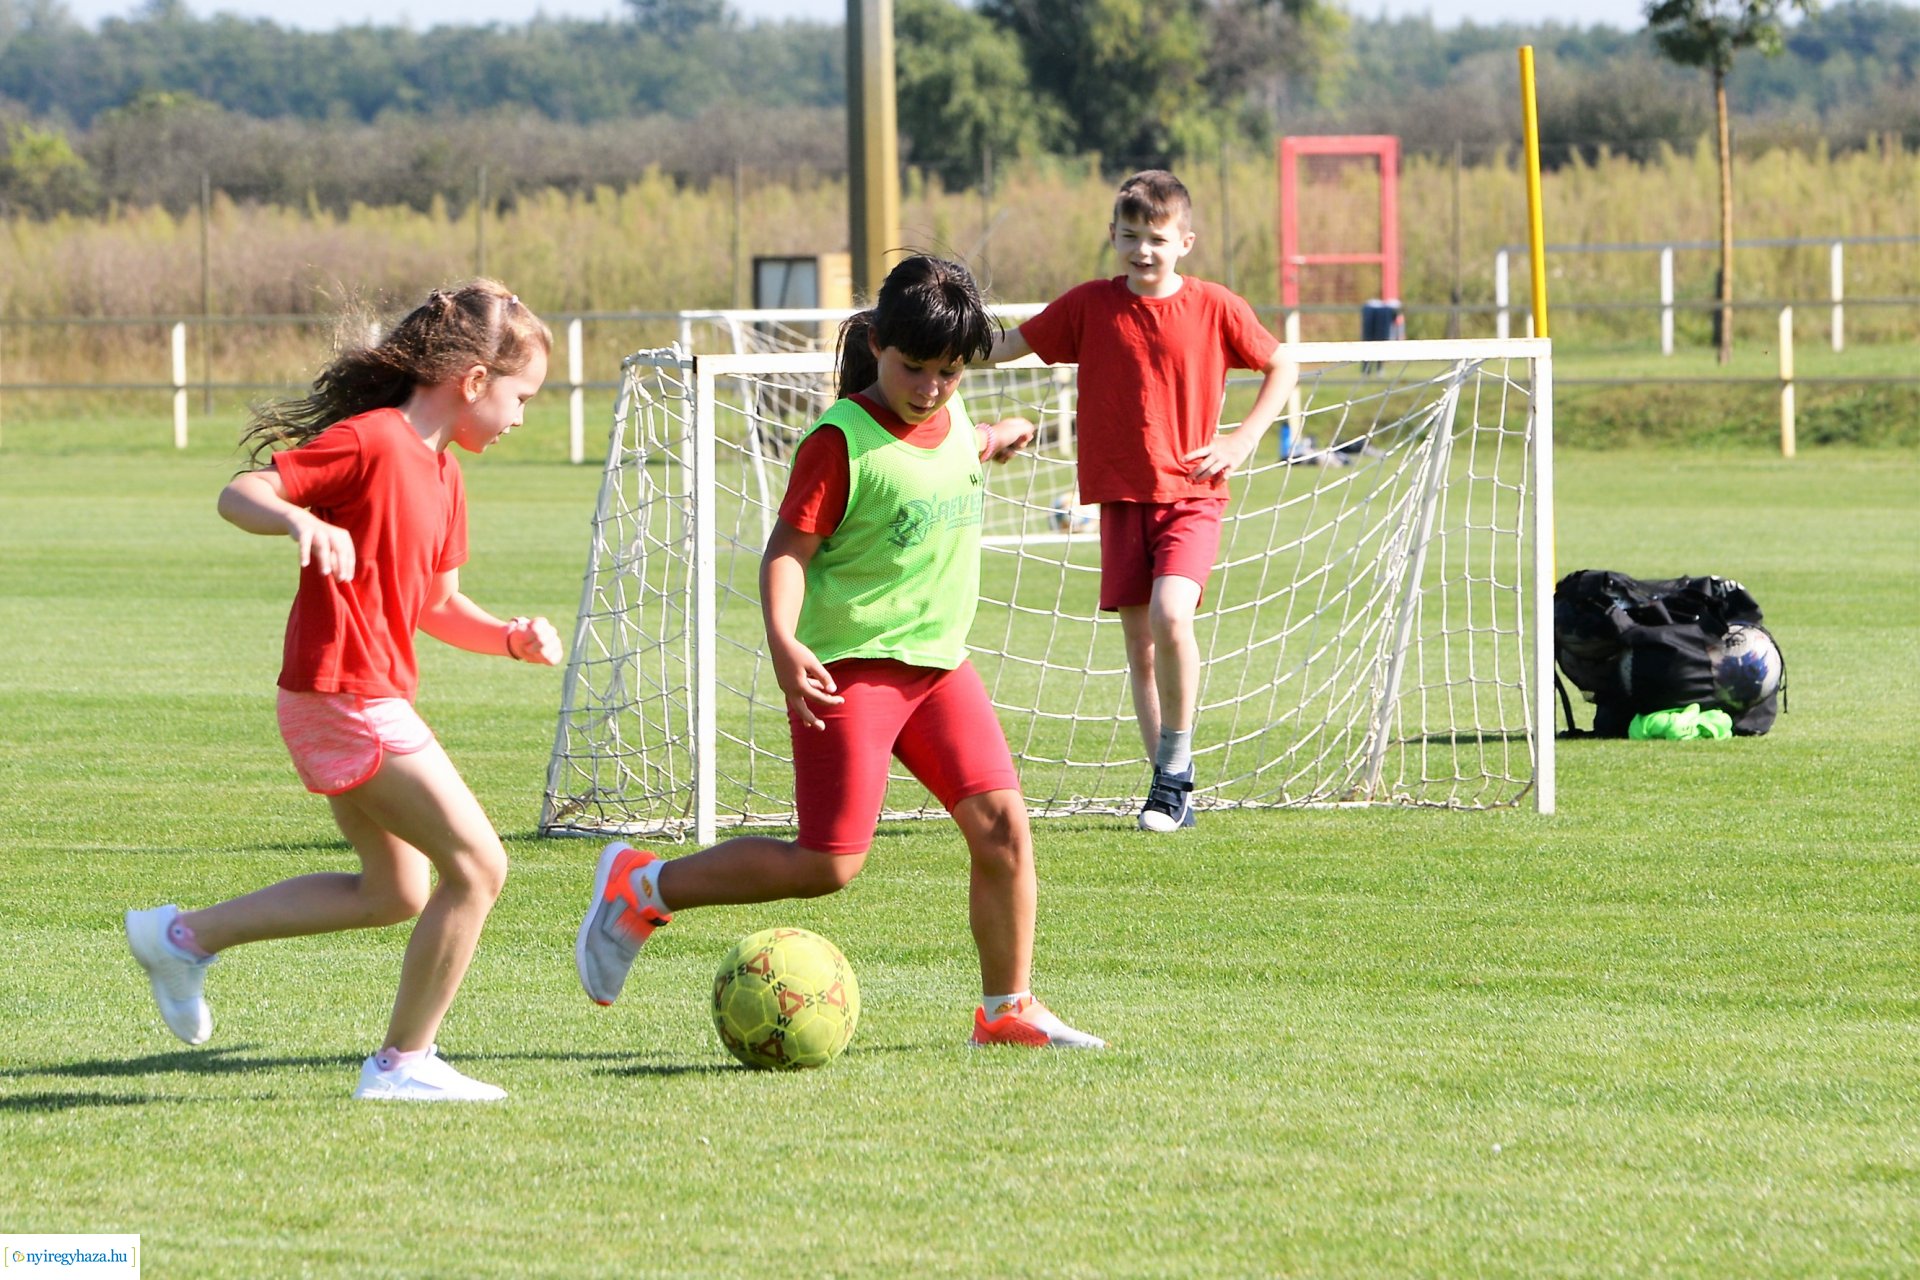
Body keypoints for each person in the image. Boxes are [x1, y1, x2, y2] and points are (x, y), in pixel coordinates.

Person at [576, 254, 1104, 1050]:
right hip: (847, 672)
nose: (930, 388)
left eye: (950, 373)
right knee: (828, 864)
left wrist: (1004, 434)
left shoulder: (956, 415)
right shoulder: (839, 441)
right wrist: (785, 644)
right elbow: (785, 555)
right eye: (913, 368)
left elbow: (965, 442)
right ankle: (643, 886)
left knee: (1003, 832)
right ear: (880, 345)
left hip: (939, 668)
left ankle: (1006, 1011)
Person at [125, 279, 563, 1102]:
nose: (521, 417)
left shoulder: (445, 475)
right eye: (522, 397)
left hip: (354, 697)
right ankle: (401, 1066)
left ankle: (182, 939)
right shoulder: (371, 441)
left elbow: (438, 605)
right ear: (472, 381)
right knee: (479, 868)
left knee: (395, 891)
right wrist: (299, 519)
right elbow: (241, 493)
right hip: (344, 696)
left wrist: (508, 636)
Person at [989, 169, 1299, 833]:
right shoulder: (1088, 306)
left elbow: (1283, 365)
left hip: (1192, 494)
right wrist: (931, 338)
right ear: (1113, 236)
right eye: (1130, 236)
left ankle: (1178, 765)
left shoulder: (1216, 306)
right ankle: (1169, 787)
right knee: (1140, 646)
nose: (1143, 250)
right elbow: (1005, 346)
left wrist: (1243, 441)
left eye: (1157, 237)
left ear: (1185, 240)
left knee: (1170, 614)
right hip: (1120, 500)